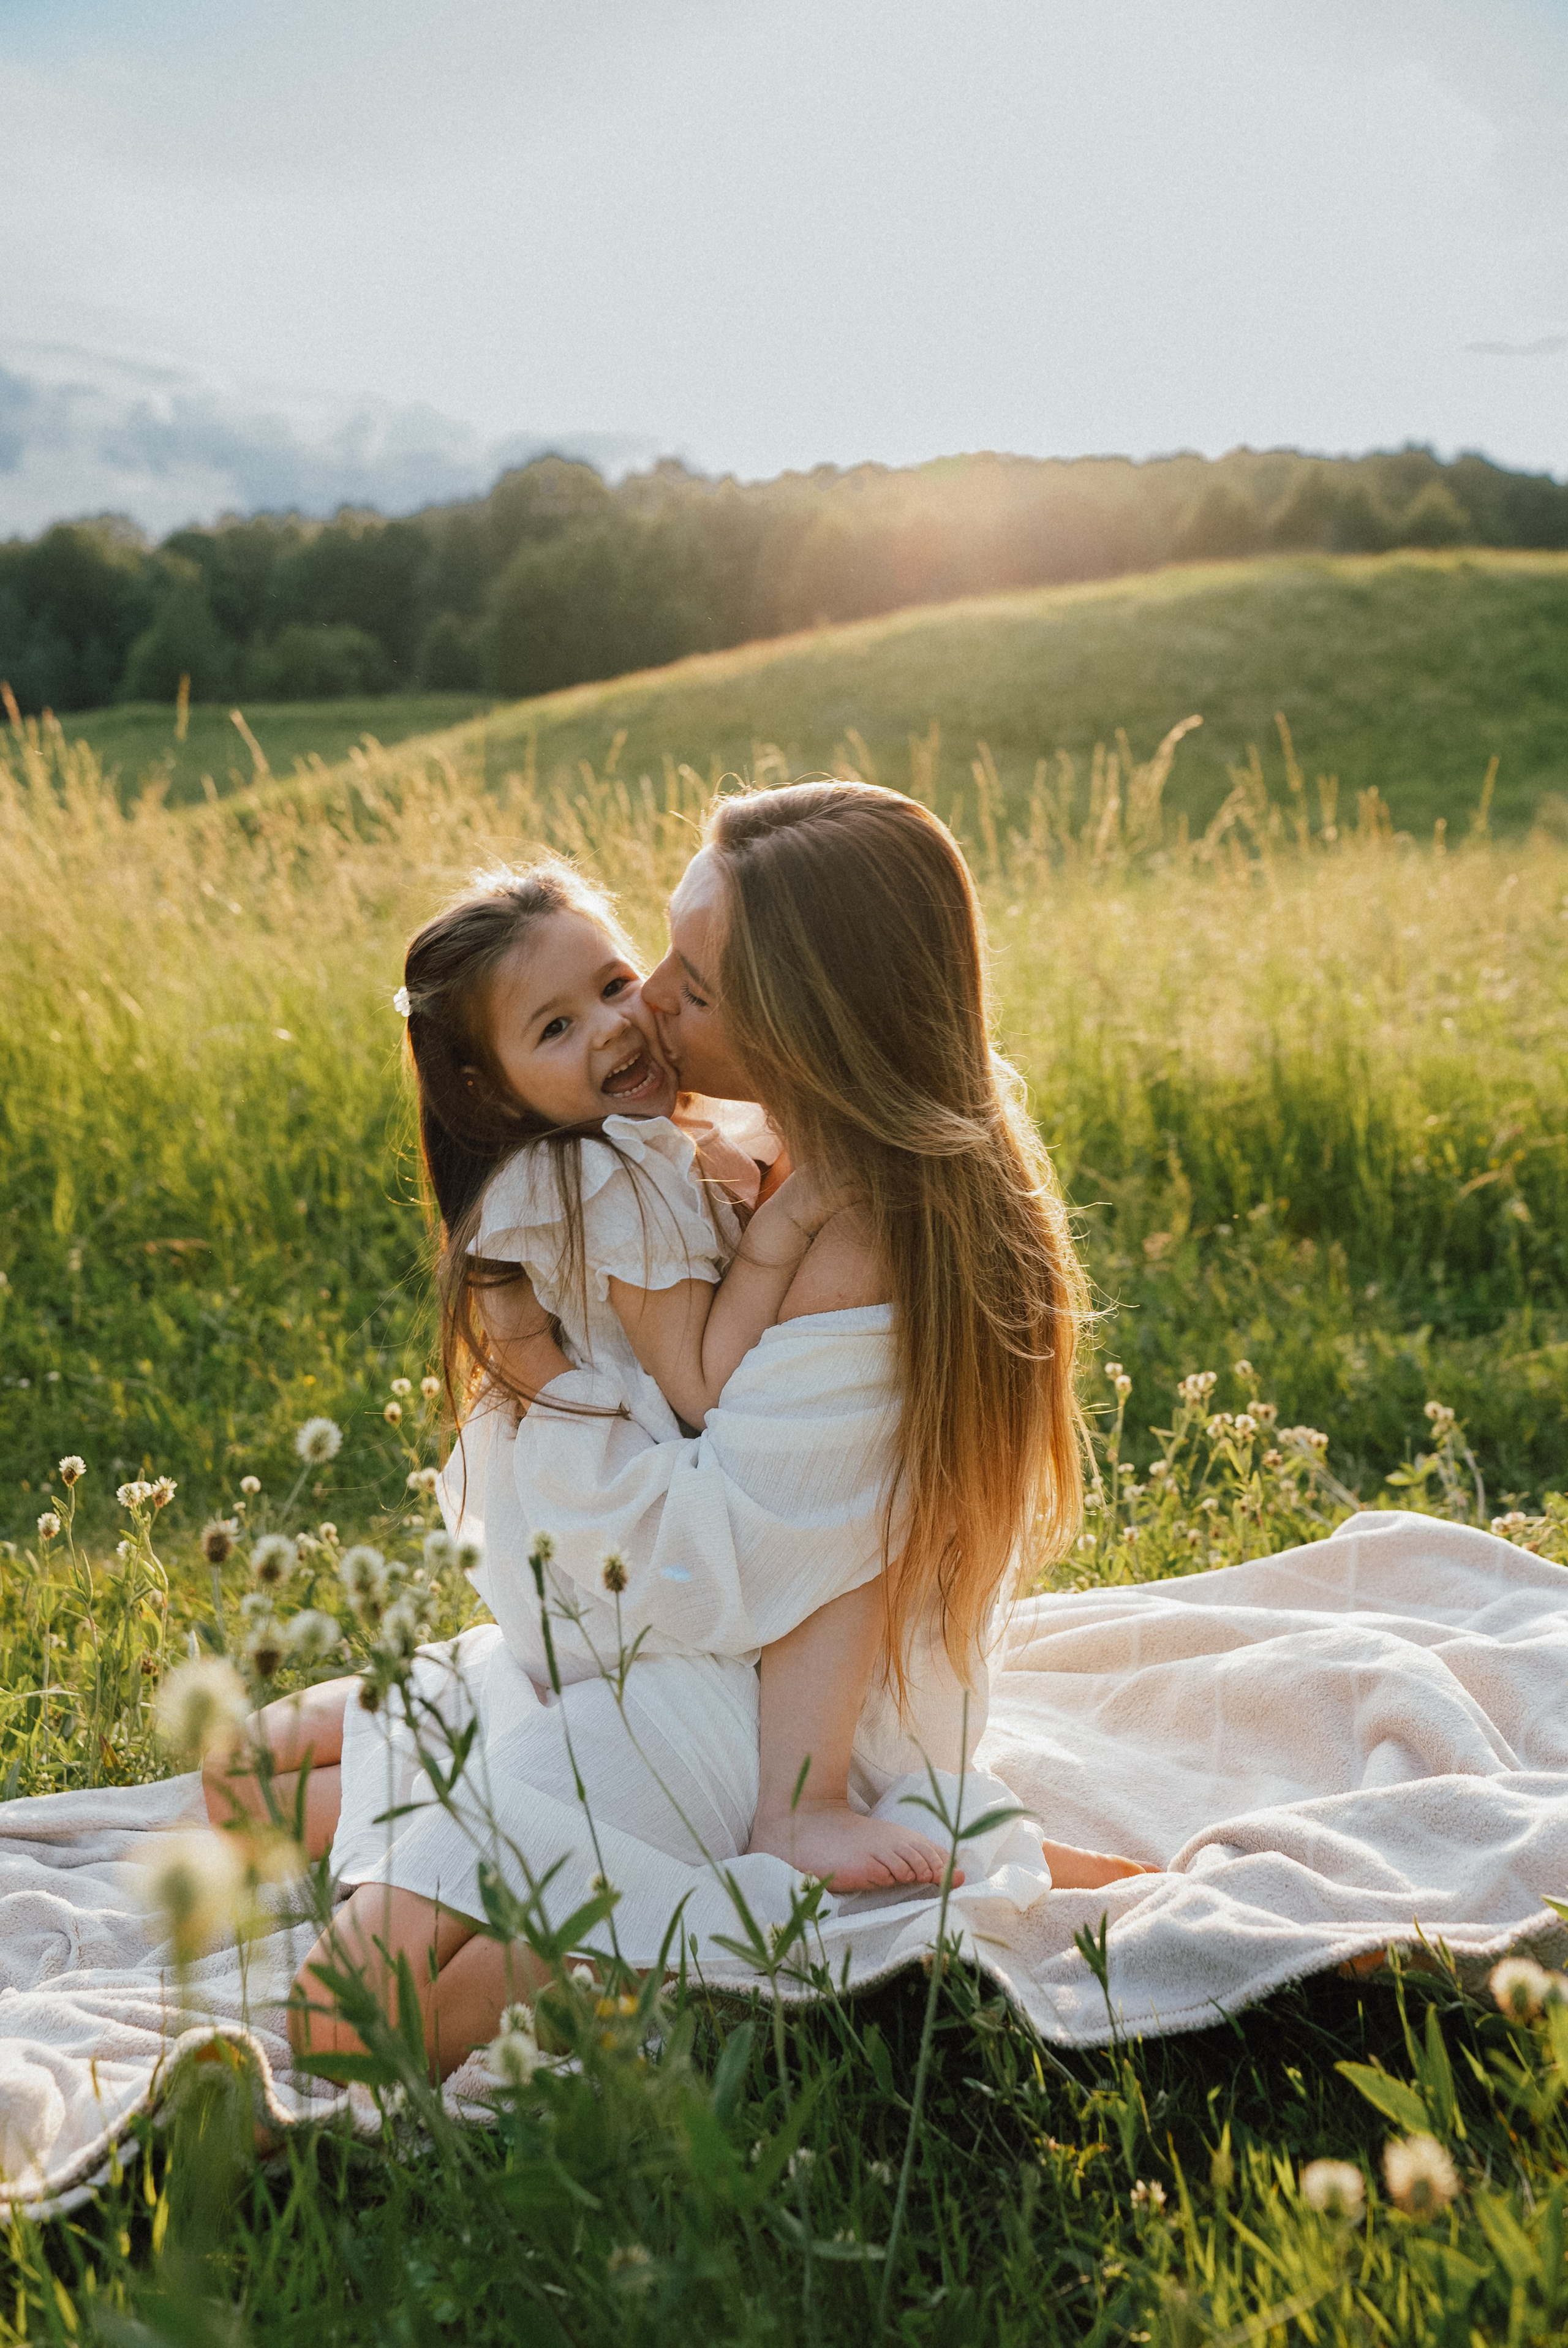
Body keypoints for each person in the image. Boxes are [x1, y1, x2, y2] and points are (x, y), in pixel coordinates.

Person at [244, 782, 1154, 2078]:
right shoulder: (761, 1143)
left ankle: (750, 1897)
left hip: (765, 1692)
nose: (651, 1003)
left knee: (341, 2028)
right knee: (271, 1783)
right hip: (699, 1635)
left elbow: (756, 1557)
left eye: (692, 984)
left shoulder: (860, 1227)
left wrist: (555, 1487)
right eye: (653, 956)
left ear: (807, 1028)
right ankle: (580, 1853)